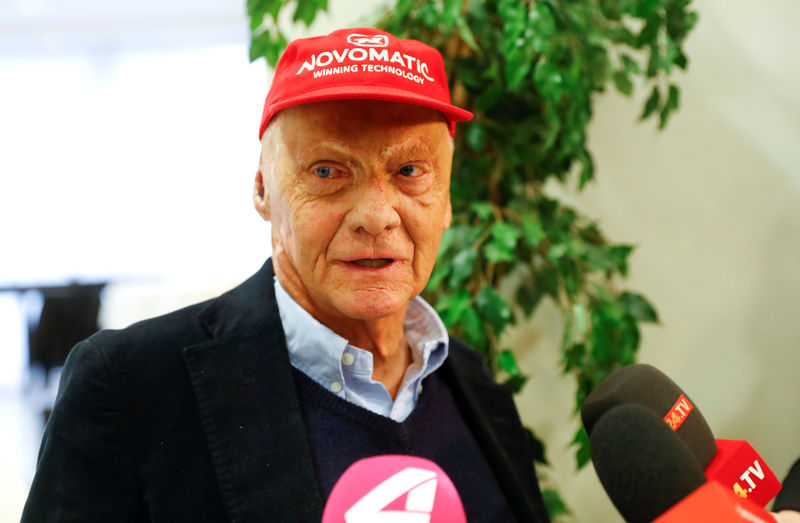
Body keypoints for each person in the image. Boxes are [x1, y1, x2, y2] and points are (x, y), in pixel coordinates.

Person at [22, 27, 550, 522]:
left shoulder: (473, 384)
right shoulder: (127, 387)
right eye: (327, 172)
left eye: (409, 171)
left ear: (447, 199)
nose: (376, 215)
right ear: (262, 191)